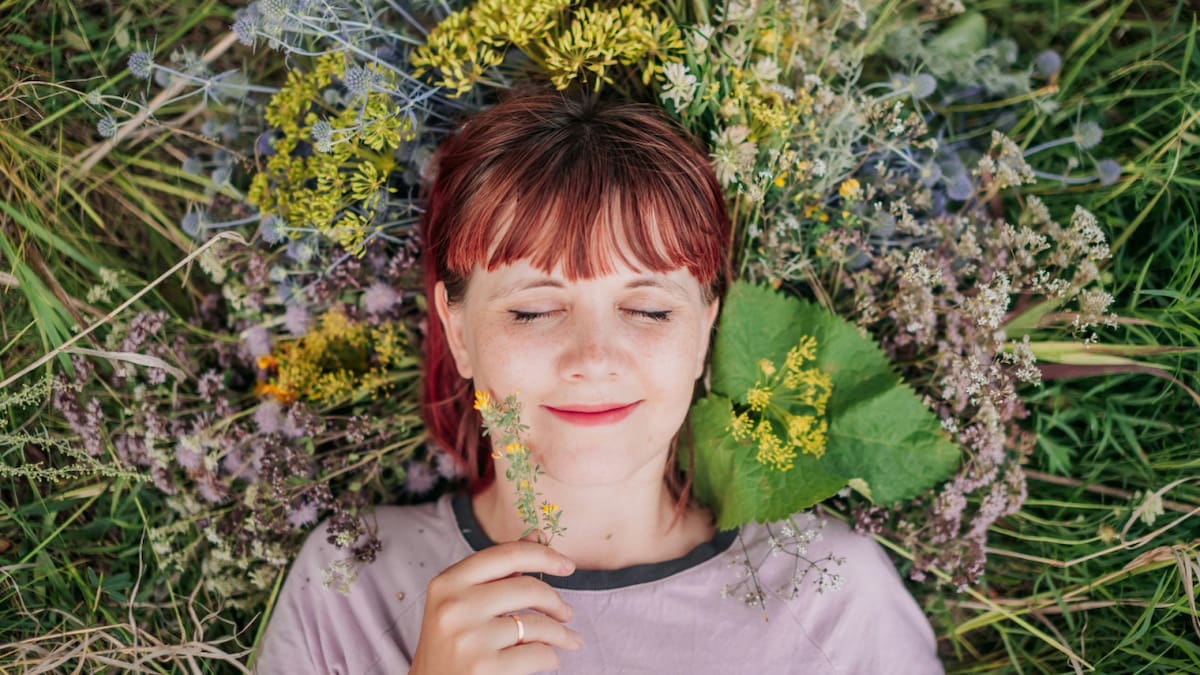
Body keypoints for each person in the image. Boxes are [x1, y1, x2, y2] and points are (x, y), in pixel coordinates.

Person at [254, 87, 944, 674]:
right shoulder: (352, 581)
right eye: (533, 309)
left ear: (706, 330)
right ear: (459, 331)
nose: (594, 355)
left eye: (646, 308)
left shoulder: (833, 603)